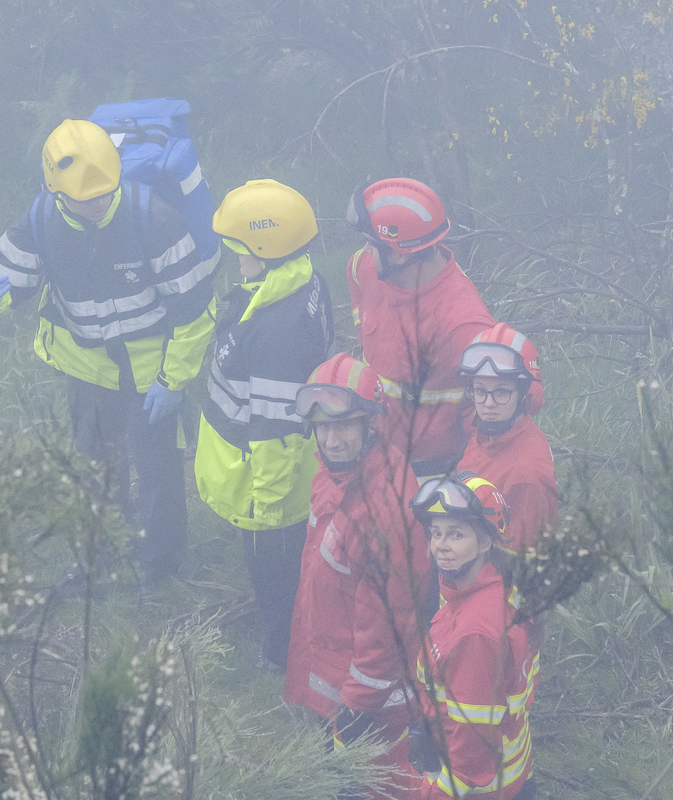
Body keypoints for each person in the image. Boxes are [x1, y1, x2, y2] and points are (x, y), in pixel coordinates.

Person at [0, 118, 218, 593]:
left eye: (106, 191)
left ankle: (157, 570)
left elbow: (194, 310)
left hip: (151, 376)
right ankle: (103, 561)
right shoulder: (41, 221)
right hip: (85, 371)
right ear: (57, 191)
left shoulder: (155, 220)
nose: (99, 202)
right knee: (96, 469)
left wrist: (173, 379)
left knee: (158, 470)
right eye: (86, 197)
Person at [194, 179, 333, 671]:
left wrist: (268, 506)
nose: (237, 260)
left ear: (267, 252)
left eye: (242, 251)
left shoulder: (276, 330)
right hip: (277, 476)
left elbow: (274, 432)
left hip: (267, 489)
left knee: (275, 575)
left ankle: (280, 655)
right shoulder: (304, 281)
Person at [284, 354, 428, 799]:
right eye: (323, 427)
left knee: (373, 785)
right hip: (335, 669)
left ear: (370, 425)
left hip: (369, 697)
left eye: (343, 425)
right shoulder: (334, 476)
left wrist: (356, 707)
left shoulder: (385, 511)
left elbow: (389, 626)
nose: (331, 438)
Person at [344, 178, 496, 480]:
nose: (364, 252)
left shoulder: (464, 326)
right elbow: (359, 294)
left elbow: (500, 416)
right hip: (373, 456)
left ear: (401, 254)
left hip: (430, 474)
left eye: (372, 244)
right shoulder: (365, 268)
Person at [408, 473, 535, 800]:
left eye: (456, 534)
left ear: (486, 541)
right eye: (435, 532)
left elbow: (473, 756)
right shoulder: (484, 588)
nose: (440, 545)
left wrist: (432, 795)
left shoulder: (476, 632)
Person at [455, 324, 557, 561]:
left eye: (501, 392)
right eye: (480, 390)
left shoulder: (525, 475)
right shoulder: (487, 433)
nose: (488, 404)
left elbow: (515, 565)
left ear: (523, 393)